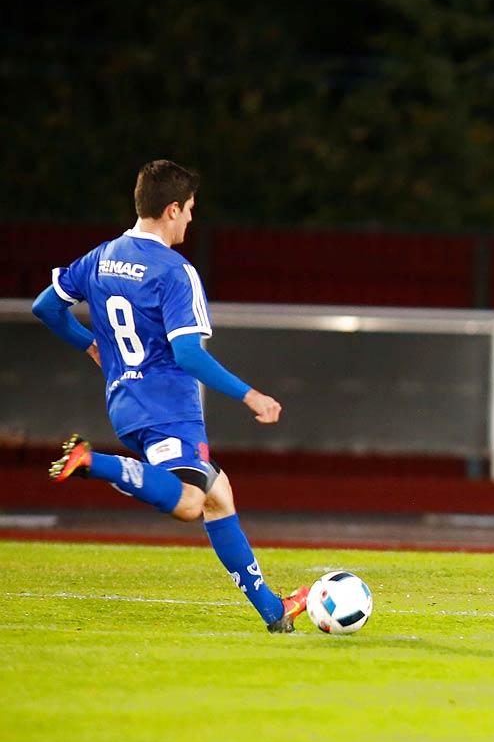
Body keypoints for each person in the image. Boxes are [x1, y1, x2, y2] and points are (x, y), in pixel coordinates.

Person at [32, 160, 310, 633]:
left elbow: (46, 307)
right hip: (168, 407)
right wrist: (250, 395)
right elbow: (188, 355)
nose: (191, 220)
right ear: (172, 208)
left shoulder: (100, 257)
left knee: (219, 495)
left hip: (124, 401)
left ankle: (273, 609)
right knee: (188, 502)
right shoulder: (175, 272)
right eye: (190, 210)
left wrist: (90, 344)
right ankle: (90, 461)